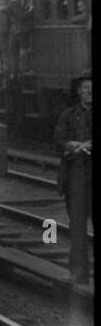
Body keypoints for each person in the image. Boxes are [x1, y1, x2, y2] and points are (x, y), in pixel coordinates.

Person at [54, 71, 92, 284]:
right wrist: (75, 146)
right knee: (77, 225)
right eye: (87, 90)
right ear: (79, 91)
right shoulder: (68, 115)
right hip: (76, 175)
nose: (90, 94)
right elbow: (58, 140)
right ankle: (79, 272)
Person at [13, 0, 35, 74]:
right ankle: (24, 69)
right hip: (23, 28)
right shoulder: (21, 1)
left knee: (30, 49)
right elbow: (23, 14)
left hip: (30, 26)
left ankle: (28, 68)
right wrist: (30, 10)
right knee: (24, 50)